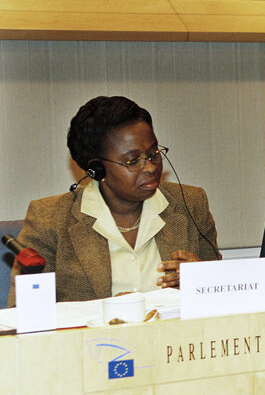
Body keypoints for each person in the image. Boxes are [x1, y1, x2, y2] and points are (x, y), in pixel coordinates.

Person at [8, 96, 220, 306]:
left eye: (154, 153)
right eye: (133, 160)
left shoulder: (191, 204)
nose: (150, 167)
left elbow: (223, 299)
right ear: (97, 169)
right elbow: (25, 313)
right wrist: (104, 312)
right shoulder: (49, 220)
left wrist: (205, 281)